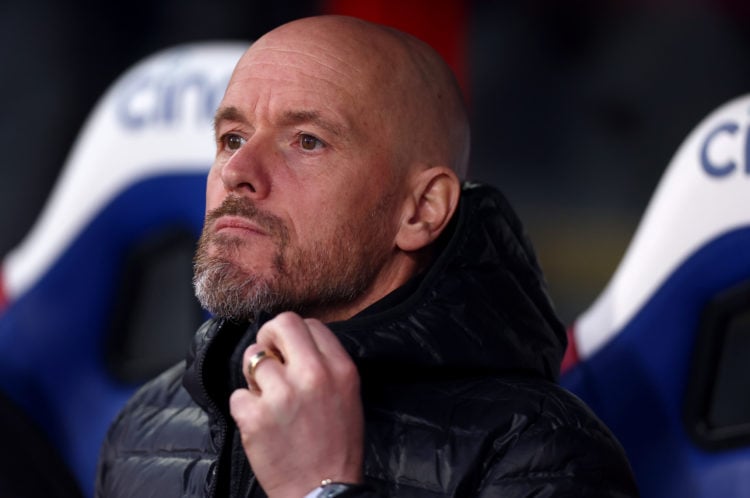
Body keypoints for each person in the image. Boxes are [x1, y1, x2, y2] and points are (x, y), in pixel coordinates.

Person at [95, 15, 639, 498]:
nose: (238, 173)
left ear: (422, 210)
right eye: (233, 138)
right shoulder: (148, 424)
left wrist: (319, 489)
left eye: (307, 141)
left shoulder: (539, 456)